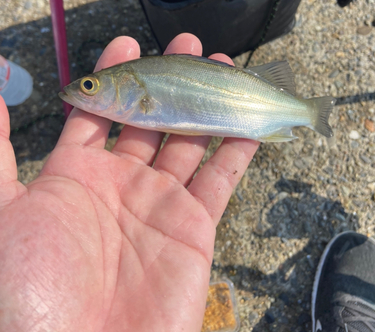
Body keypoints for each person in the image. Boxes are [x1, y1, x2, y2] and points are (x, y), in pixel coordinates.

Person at [0, 33, 373, 331]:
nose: (81, 93)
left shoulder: (139, 96)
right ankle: (303, 111)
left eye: (90, 86)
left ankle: (304, 111)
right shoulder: (132, 101)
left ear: (128, 85)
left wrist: (304, 111)